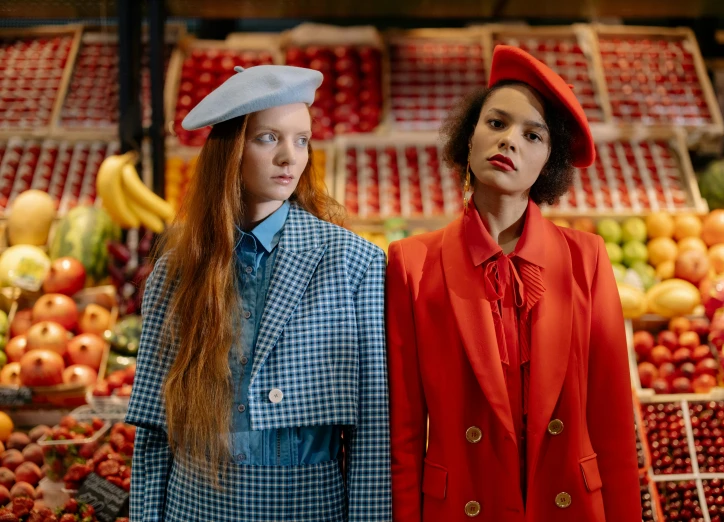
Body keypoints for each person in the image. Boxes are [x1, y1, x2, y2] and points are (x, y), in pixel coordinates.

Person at [386, 45, 641, 522]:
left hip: (567, 502)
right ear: (469, 137)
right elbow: (402, 435)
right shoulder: (410, 263)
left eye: (532, 135)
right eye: (496, 123)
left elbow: (612, 424)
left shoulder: (587, 258)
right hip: (462, 502)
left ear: (549, 162)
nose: (509, 142)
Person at [126, 65, 391, 521]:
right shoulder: (176, 270)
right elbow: (153, 429)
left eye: (302, 139)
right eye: (269, 138)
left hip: (308, 508)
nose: (290, 157)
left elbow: (373, 432)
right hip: (197, 504)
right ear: (230, 149)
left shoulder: (354, 263)